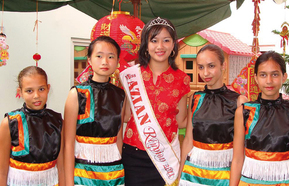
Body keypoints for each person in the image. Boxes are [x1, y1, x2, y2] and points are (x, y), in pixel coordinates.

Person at [119, 17, 190, 186]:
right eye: (154, 40)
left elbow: (181, 121)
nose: (160, 46)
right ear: (146, 45)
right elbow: (126, 115)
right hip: (133, 157)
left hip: (165, 159)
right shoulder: (130, 76)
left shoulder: (182, 79)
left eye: (166, 40)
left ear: (173, 45)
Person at [179, 44, 248, 186]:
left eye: (211, 66)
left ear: (223, 65)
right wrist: (180, 176)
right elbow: (188, 140)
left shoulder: (239, 101)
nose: (205, 73)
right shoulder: (195, 98)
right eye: (201, 67)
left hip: (225, 173)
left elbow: (243, 149)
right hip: (194, 173)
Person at [230, 51, 289, 186]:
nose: (269, 81)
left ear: (283, 77)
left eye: (275, 74)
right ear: (255, 78)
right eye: (263, 75)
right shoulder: (244, 112)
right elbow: (238, 159)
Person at [64, 35, 126, 186]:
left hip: (113, 172)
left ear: (117, 61)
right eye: (99, 56)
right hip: (82, 172)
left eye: (111, 57)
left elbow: (118, 138)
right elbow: (68, 143)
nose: (105, 62)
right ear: (89, 60)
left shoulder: (120, 95)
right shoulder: (76, 93)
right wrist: (68, 182)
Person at [0, 66, 64, 185]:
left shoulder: (57, 121)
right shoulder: (9, 122)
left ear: (48, 88)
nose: (36, 95)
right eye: (29, 91)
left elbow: (61, 168)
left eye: (41, 89)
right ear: (20, 92)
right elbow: (2, 172)